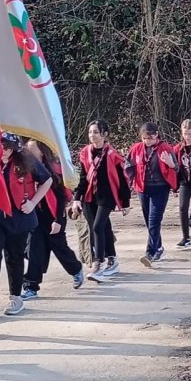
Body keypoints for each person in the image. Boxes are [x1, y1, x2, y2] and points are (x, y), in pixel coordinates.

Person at [0, 133, 51, 318]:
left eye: (7, 147)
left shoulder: (25, 160)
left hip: (19, 216)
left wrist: (33, 202)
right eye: (1, 147)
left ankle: (15, 296)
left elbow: (47, 180)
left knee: (14, 257)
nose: (4, 151)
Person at [22, 139, 85, 295]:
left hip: (53, 215)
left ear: (42, 151)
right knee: (34, 249)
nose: (29, 153)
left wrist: (58, 220)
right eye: (27, 149)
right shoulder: (26, 170)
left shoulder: (54, 170)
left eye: (32, 149)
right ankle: (30, 286)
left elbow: (61, 197)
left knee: (59, 248)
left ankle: (76, 269)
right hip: (36, 217)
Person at [72, 120, 129, 284]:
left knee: (97, 226)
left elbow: (123, 180)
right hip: (90, 197)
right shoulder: (85, 153)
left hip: (107, 196)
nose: (92, 135)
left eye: (96, 132)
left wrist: (125, 203)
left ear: (104, 134)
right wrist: (77, 198)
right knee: (101, 227)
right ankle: (113, 259)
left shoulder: (113, 155)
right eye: (90, 132)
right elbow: (83, 178)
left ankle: (99, 263)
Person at [124, 122, 178, 267]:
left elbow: (177, 168)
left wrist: (170, 163)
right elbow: (128, 166)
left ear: (156, 135)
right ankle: (159, 247)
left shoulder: (165, 148)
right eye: (145, 138)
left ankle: (150, 252)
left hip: (160, 188)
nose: (148, 141)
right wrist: (128, 184)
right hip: (143, 188)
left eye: (150, 138)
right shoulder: (136, 149)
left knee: (154, 220)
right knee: (149, 222)